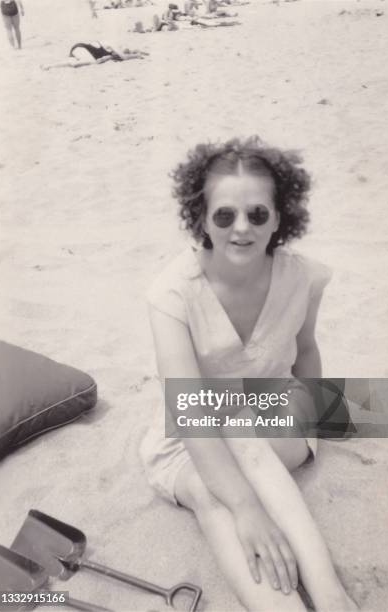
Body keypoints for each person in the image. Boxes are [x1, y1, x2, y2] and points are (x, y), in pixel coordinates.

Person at [140, 136, 358, 612]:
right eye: (224, 215)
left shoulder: (302, 278)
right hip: (189, 435)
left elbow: (306, 349)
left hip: (271, 416)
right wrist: (247, 509)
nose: (242, 228)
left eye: (258, 214)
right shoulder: (172, 295)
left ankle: (331, 597)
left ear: (280, 217)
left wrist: (313, 413)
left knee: (242, 431)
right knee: (208, 492)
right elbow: (192, 415)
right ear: (200, 218)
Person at [41, 42, 148, 70]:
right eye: (125, 50)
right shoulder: (111, 45)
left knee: (70, 63)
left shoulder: (112, 54)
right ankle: (49, 65)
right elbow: (124, 57)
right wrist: (137, 55)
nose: (119, 53)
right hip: (82, 48)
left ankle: (48, 65)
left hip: (80, 50)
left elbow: (122, 56)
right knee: (91, 62)